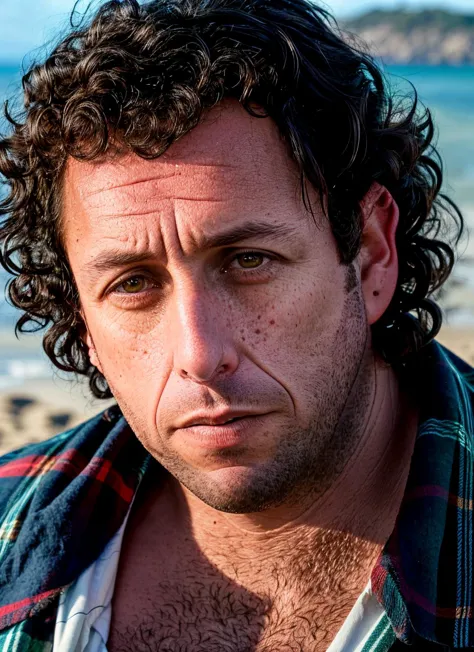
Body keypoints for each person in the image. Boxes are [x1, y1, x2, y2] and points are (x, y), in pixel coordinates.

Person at [0, 0, 472, 649]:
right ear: (83, 321)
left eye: (250, 261)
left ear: (370, 253)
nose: (198, 352)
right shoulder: (9, 522)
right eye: (133, 284)